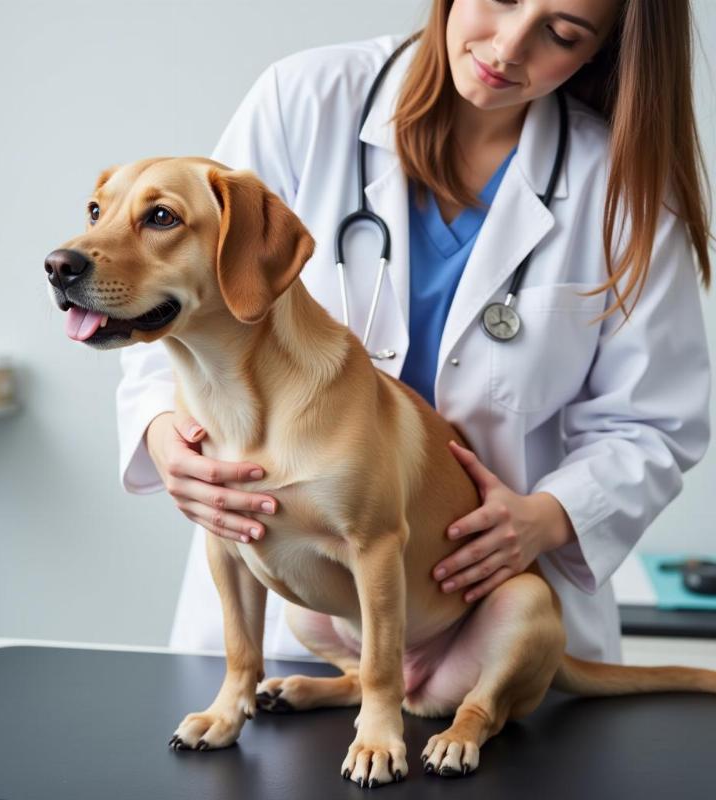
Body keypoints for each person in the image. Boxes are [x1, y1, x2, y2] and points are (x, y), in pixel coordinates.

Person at [117, 0, 712, 664]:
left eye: (562, 33)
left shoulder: (621, 188)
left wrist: (547, 517)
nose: (509, 47)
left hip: (485, 615)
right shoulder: (306, 102)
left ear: (600, 51)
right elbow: (180, 289)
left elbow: (654, 419)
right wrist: (165, 435)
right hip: (295, 620)